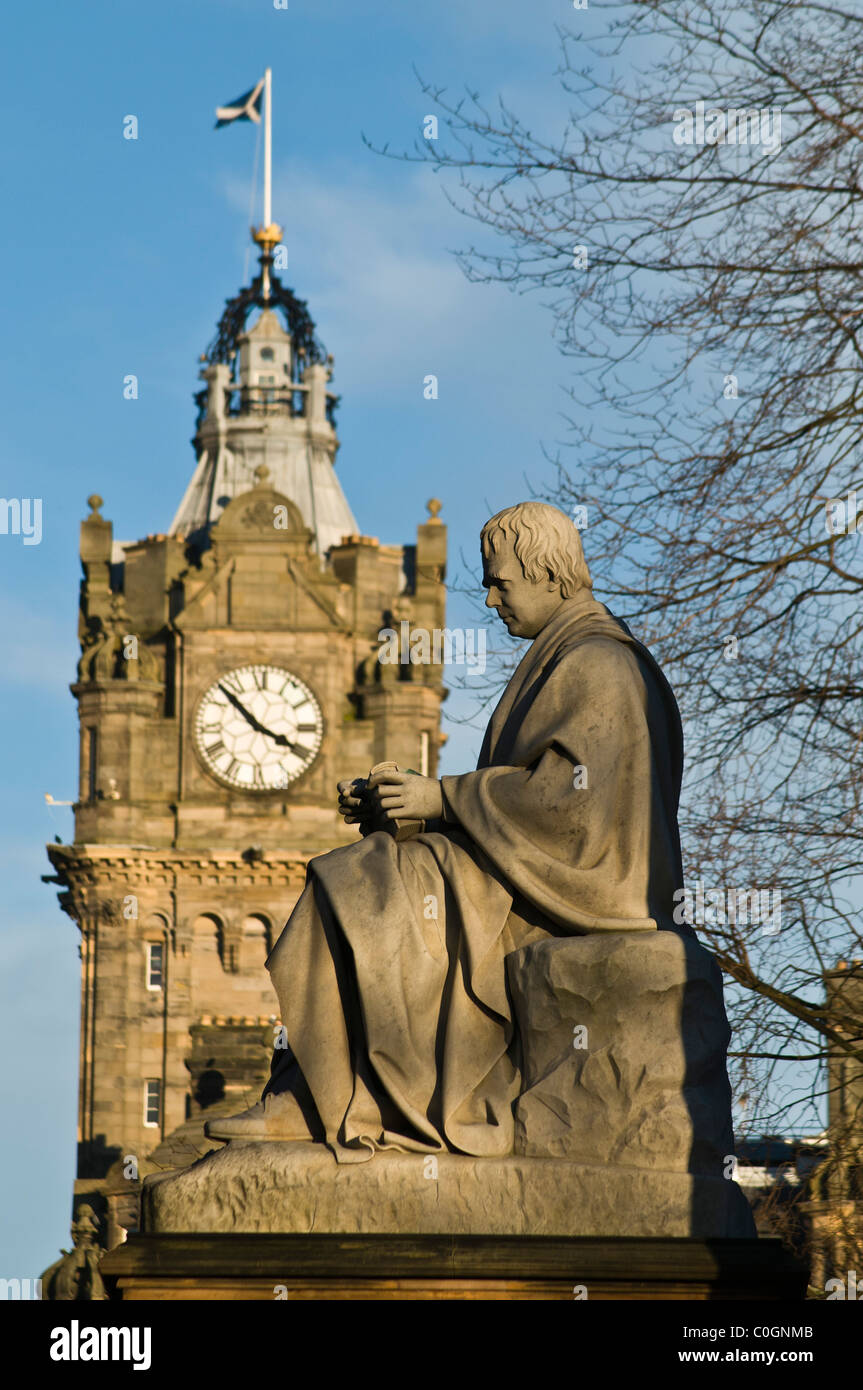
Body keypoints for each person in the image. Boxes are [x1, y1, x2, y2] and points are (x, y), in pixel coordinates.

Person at [206, 502, 686, 1161]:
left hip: (579, 889)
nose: (489, 600)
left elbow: (571, 805)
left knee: (360, 883)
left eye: (500, 583)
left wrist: (440, 798)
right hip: (536, 869)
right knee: (372, 866)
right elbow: (526, 797)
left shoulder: (596, 661)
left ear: (548, 575)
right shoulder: (564, 654)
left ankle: (333, 1097)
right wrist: (408, 808)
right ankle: (321, 1089)